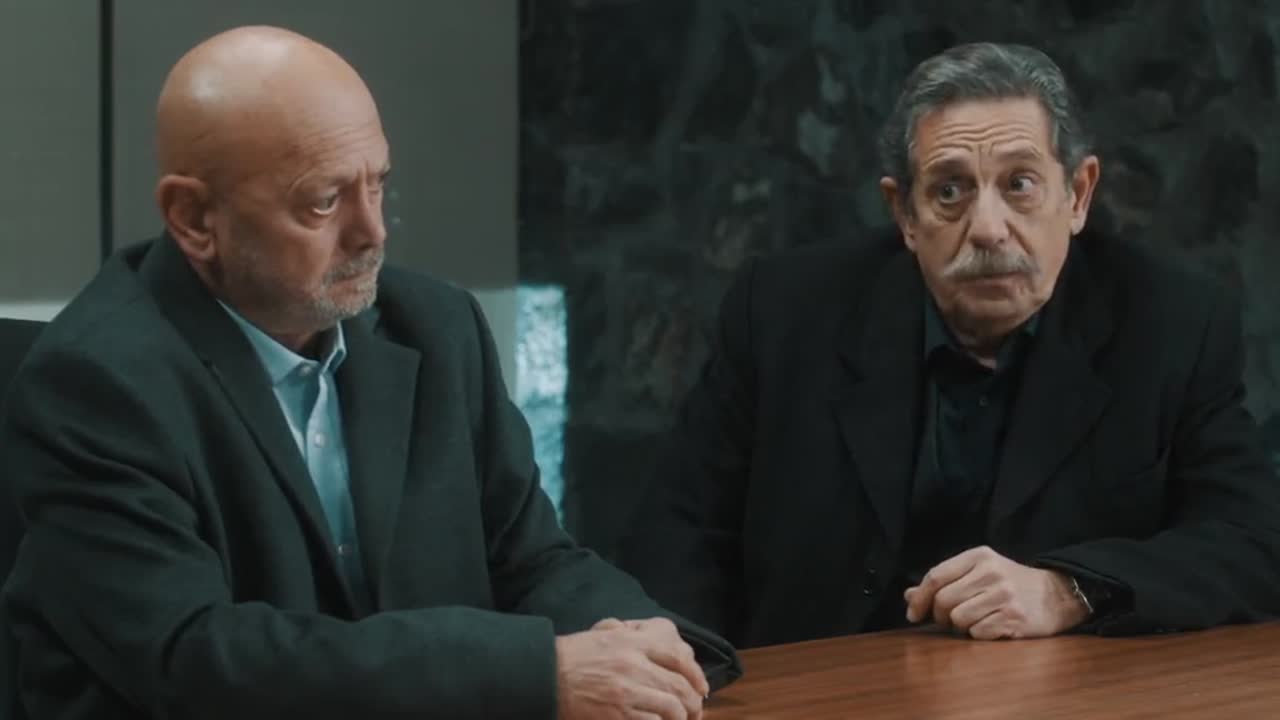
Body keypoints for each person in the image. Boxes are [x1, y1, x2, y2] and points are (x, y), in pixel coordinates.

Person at [0, 26, 739, 719]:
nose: (372, 232)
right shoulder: (94, 380)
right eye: (323, 201)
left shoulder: (437, 326)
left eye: (377, 184)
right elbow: (196, 656)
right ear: (194, 219)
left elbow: (529, 558)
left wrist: (643, 644)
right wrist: (537, 674)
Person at [619, 41, 1280, 648]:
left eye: (1019, 184)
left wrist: (1069, 590)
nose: (988, 228)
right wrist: (693, 677)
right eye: (950, 191)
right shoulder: (784, 313)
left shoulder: (1170, 323)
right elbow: (675, 534)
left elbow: (1255, 542)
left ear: (1078, 196)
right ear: (905, 214)